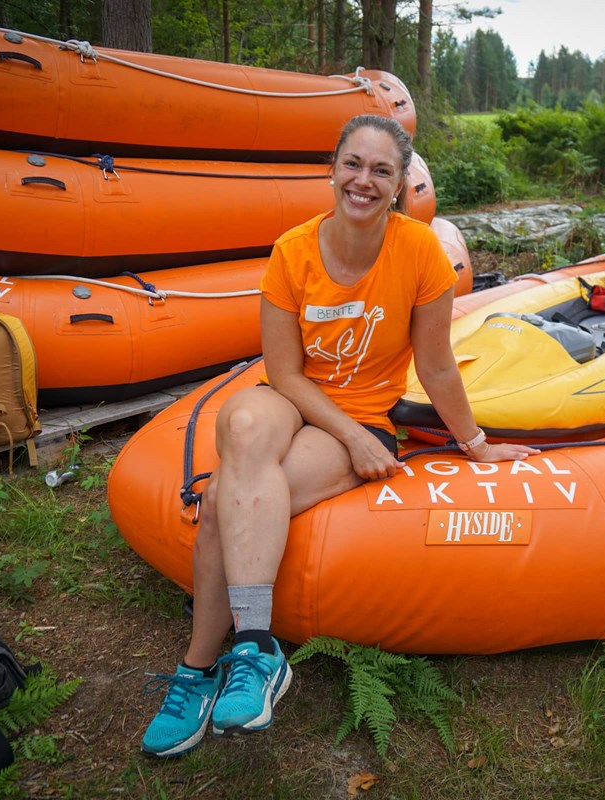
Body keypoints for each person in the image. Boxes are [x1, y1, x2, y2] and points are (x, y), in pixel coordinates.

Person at [141, 114, 539, 757]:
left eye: (382, 170)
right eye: (353, 164)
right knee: (242, 421)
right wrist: (347, 435)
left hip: (367, 413)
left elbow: (435, 366)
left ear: (401, 184)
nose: (364, 180)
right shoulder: (293, 250)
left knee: (220, 503)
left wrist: (476, 444)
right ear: (333, 169)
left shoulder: (420, 254)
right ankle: (256, 651)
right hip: (297, 400)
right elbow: (283, 373)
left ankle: (198, 671)